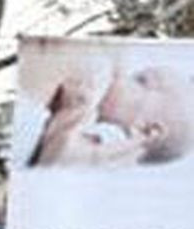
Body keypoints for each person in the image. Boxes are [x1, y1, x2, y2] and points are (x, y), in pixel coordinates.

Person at [28, 65, 194, 168]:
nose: (119, 73)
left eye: (139, 81)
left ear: (146, 130)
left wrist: (75, 109)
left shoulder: (105, 141)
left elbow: (58, 155)